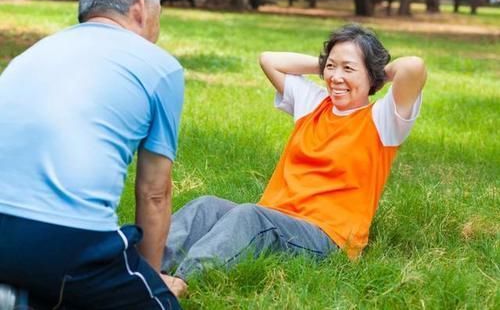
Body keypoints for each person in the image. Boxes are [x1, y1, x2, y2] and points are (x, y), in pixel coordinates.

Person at [161, 24, 427, 284]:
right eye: (331, 66)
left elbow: (413, 66)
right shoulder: (314, 103)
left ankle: (180, 282)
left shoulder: (383, 120)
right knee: (206, 207)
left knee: (250, 217)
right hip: (274, 217)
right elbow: (269, 60)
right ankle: (140, 266)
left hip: (326, 236)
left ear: (371, 75)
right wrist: (326, 65)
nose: (336, 77)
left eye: (349, 68)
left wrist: (376, 72)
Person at [0, 0, 187, 308]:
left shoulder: (33, 53)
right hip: (65, 240)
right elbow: (154, 193)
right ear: (141, 8)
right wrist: (151, 277)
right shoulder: (161, 67)